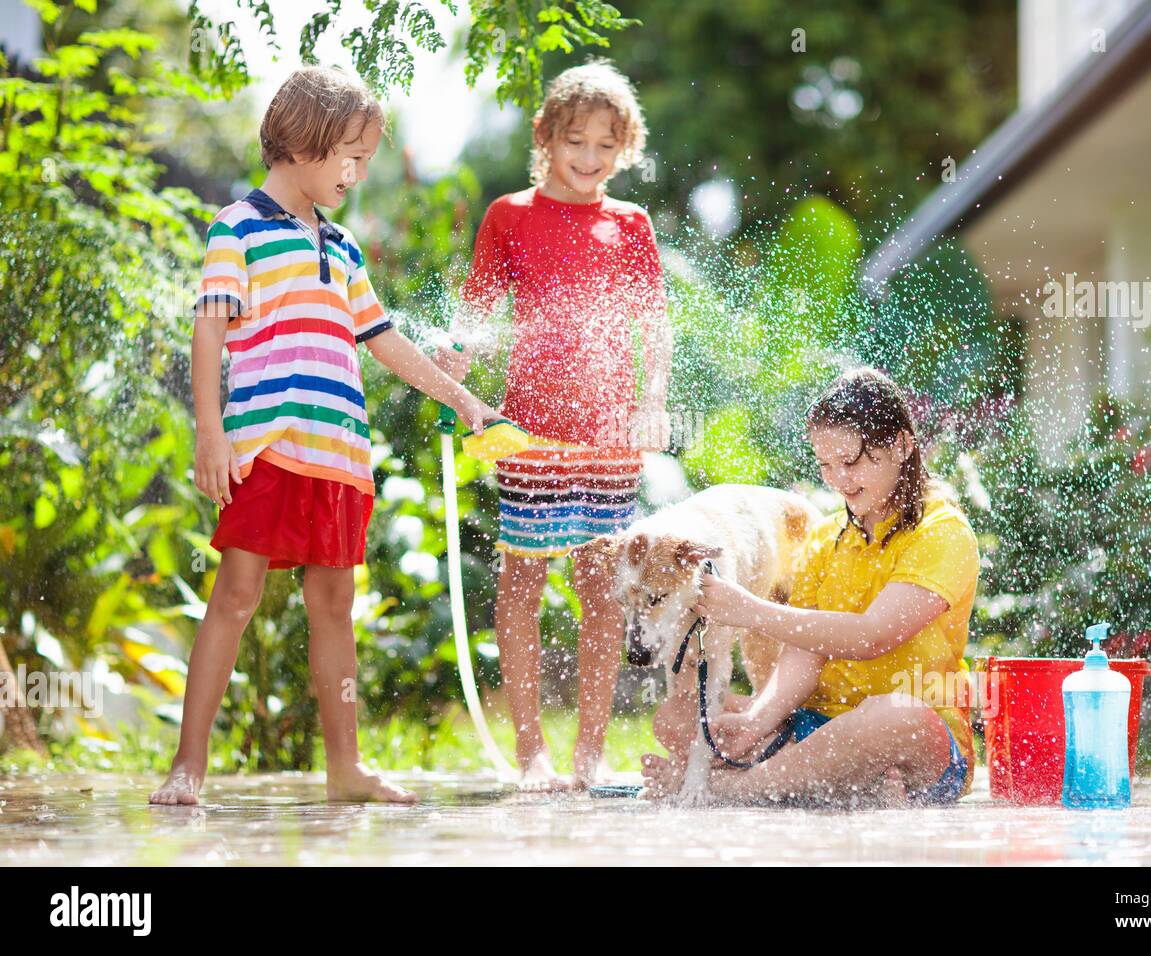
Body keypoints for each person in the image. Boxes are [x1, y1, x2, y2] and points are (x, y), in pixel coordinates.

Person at [150, 66, 497, 806]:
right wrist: (210, 432)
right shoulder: (237, 227)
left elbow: (385, 339)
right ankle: (188, 766)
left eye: (366, 159)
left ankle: (346, 768)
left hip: (340, 455)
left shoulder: (342, 248)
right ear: (301, 143)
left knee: (334, 606)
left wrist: (464, 399)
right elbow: (207, 330)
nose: (358, 171)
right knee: (236, 597)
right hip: (267, 446)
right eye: (349, 154)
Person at [442, 59, 671, 789]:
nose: (591, 159)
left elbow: (655, 326)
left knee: (602, 588)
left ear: (624, 148)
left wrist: (654, 402)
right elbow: (477, 312)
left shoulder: (629, 223)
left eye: (607, 146)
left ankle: (590, 751)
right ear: (546, 136)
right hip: (532, 433)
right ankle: (531, 749)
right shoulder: (509, 216)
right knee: (522, 581)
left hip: (609, 439)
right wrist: (455, 370)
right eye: (577, 141)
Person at [642, 367, 979, 806]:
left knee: (897, 717)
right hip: (813, 725)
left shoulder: (942, 530)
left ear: (900, 444)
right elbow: (805, 651)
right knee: (678, 714)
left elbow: (871, 636)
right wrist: (759, 720)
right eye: (825, 464)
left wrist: (750, 611)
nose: (838, 479)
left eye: (852, 461)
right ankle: (840, 783)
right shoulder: (827, 536)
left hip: (913, 737)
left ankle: (729, 790)